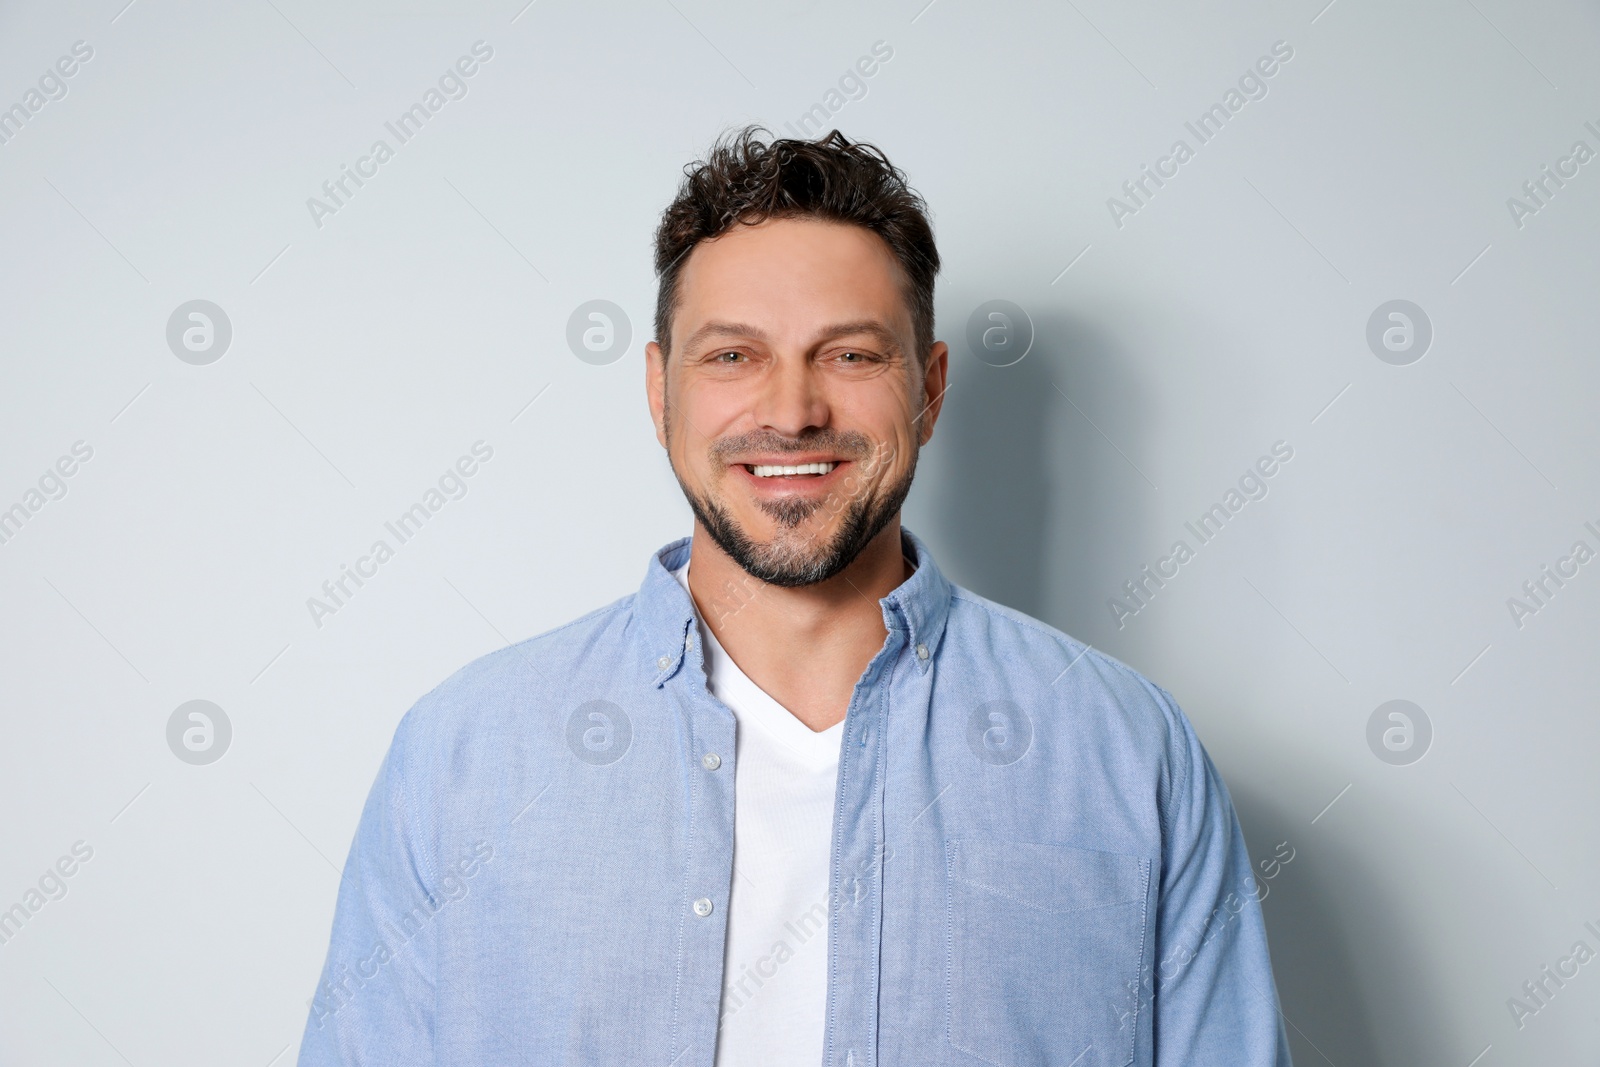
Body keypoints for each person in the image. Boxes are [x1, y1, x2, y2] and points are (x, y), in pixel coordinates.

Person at [297, 126, 1293, 1067]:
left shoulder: (1124, 751)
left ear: (930, 387)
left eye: (850, 354)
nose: (790, 412)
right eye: (733, 355)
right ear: (660, 391)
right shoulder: (464, 755)